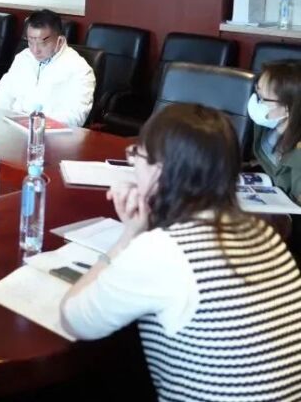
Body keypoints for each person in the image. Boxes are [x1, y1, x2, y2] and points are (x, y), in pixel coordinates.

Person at [60, 103, 301, 401]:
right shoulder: (264, 233)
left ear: (160, 171)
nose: (133, 165)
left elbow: (74, 320)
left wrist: (126, 238)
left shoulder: (166, 250)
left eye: (137, 155)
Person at [0, 8, 95, 126]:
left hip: (50, 133)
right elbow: (2, 96)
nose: (35, 50)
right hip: (13, 127)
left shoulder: (79, 69)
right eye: (31, 42)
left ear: (59, 41)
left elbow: (75, 117)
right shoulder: (23, 57)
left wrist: (36, 123)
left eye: (42, 43)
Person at [250, 59, 301, 203]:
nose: (256, 102)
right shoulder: (266, 127)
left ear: (288, 107)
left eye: (263, 99)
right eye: (257, 92)